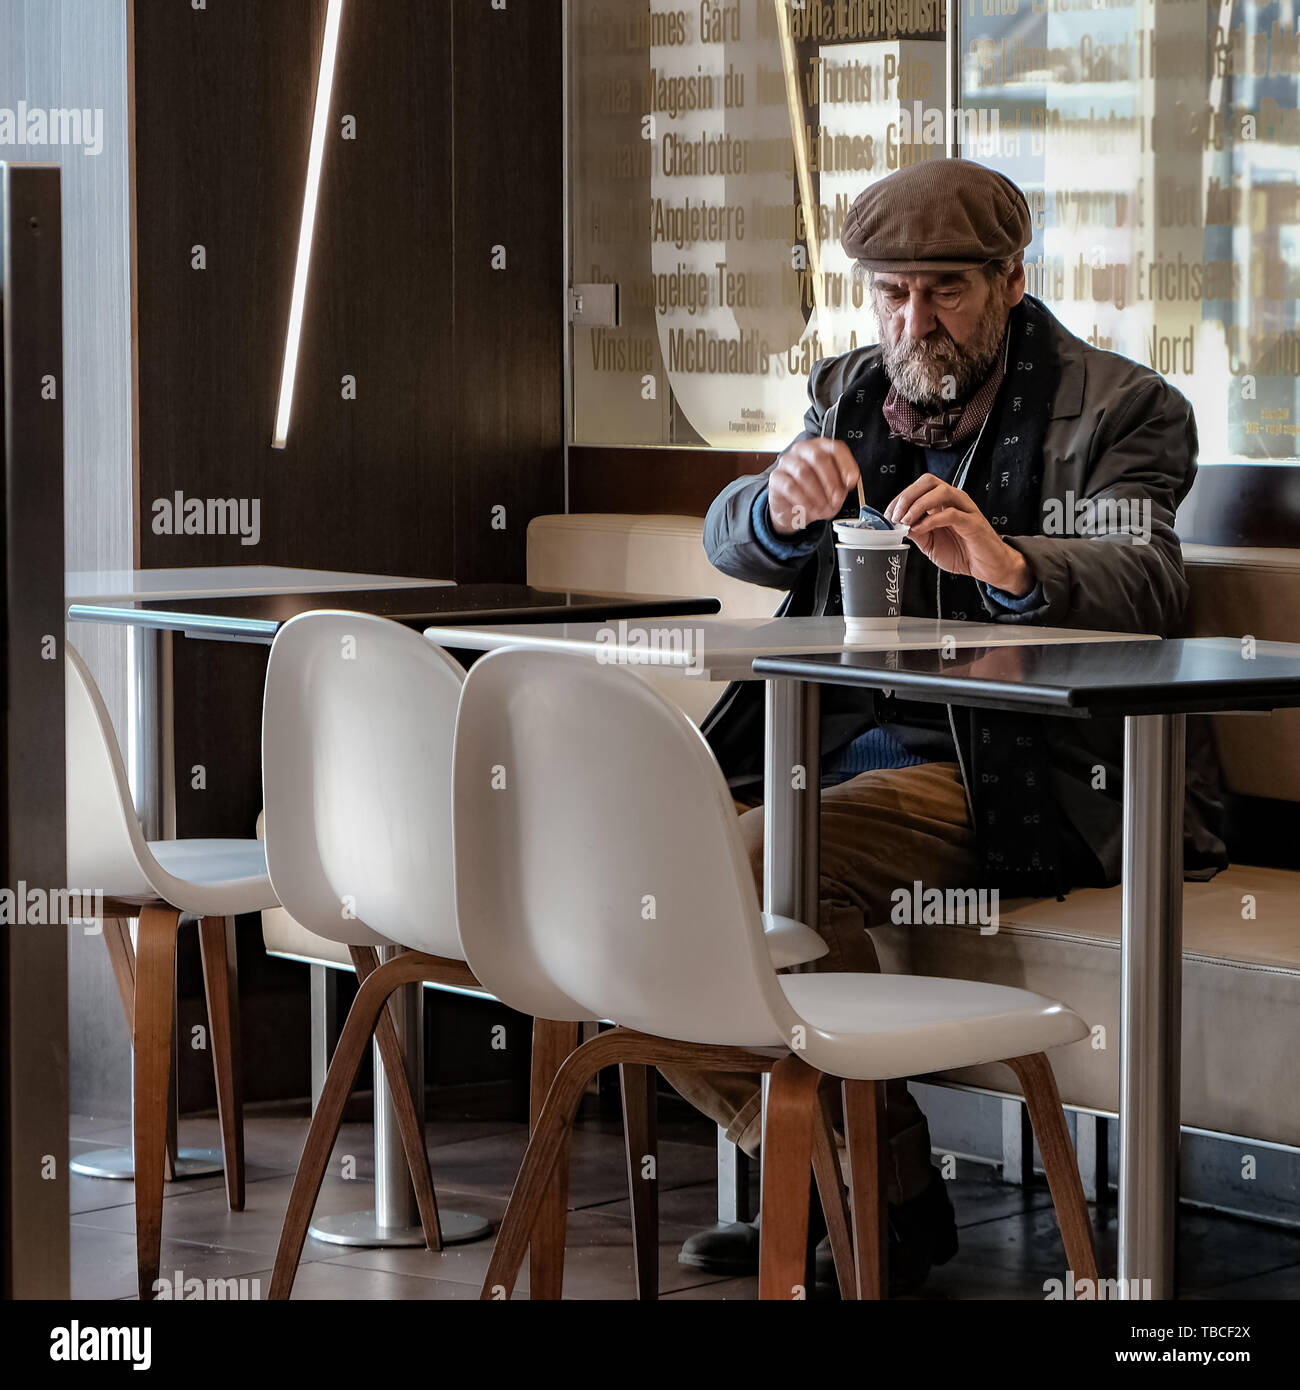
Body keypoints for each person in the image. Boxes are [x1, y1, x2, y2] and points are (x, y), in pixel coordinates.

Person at [663, 158, 1226, 1294]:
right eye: (890, 293)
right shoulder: (847, 391)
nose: (912, 321)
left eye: (945, 291)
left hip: (1021, 766)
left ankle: (853, 1192)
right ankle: (855, 1184)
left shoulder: (1121, 406)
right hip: (826, 743)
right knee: (612, 876)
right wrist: (776, 506)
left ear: (1012, 280)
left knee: (751, 870)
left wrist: (1009, 562)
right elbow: (730, 537)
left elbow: (1149, 580)